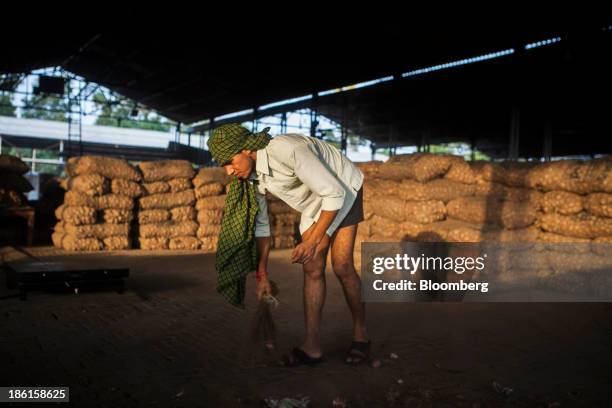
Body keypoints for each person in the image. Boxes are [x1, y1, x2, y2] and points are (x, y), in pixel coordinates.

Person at [207, 123, 370, 366]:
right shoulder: (251, 179)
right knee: (313, 266)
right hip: (315, 200)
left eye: (230, 161)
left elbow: (334, 194)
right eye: (224, 166)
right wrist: (262, 273)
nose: (229, 171)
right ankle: (312, 346)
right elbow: (262, 228)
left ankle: (361, 335)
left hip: (342, 186)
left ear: (247, 149)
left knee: (342, 265)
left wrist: (312, 241)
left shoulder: (288, 151)